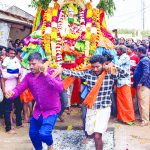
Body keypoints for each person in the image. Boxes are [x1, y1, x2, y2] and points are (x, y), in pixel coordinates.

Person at [53, 55, 128, 150]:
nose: (95, 69)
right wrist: (62, 70)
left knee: (97, 136)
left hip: (104, 108)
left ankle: (99, 141)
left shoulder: (110, 73)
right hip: (91, 108)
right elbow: (75, 74)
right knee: (91, 133)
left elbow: (126, 74)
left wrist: (114, 67)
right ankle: (96, 139)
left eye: (97, 66)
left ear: (104, 65)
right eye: (93, 67)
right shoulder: (88, 73)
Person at [5, 52, 63, 150]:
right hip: (38, 111)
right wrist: (12, 93)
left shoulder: (51, 72)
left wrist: (45, 74)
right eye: (30, 64)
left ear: (41, 63)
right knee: (33, 135)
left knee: (44, 134)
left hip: (52, 110)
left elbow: (60, 88)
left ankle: (50, 145)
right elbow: (19, 88)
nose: (31, 67)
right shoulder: (29, 77)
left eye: (34, 64)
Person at [1, 48, 22, 133]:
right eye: (11, 53)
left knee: (18, 107)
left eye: (14, 53)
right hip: (8, 90)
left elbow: (18, 77)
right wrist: (4, 91)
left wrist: (18, 88)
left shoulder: (16, 62)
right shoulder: (4, 65)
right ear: (8, 54)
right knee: (8, 109)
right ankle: (8, 128)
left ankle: (18, 123)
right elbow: (3, 79)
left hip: (15, 90)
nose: (12, 55)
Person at [116, 45, 135, 125]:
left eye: (117, 50)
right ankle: (122, 118)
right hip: (120, 82)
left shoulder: (125, 56)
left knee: (126, 101)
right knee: (120, 101)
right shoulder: (122, 56)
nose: (117, 51)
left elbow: (117, 64)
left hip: (124, 82)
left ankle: (128, 119)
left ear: (121, 50)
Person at [134, 46, 150, 126]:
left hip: (143, 85)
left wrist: (141, 82)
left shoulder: (145, 60)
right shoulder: (143, 59)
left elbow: (146, 72)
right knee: (141, 102)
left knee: (144, 103)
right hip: (141, 84)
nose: (136, 53)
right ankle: (143, 118)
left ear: (140, 51)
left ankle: (146, 120)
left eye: (137, 52)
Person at [126, 44, 139, 114]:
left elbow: (138, 68)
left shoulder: (136, 57)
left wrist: (132, 68)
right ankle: (128, 110)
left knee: (133, 95)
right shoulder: (125, 57)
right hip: (126, 78)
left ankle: (133, 110)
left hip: (133, 79)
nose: (127, 50)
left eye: (128, 49)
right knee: (128, 95)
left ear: (132, 50)